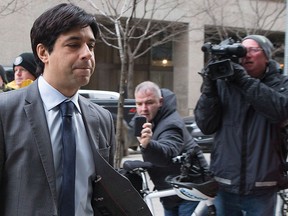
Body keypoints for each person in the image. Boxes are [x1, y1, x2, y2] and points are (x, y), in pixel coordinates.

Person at [0, 3, 117, 216]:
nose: (87, 54)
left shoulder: (102, 119)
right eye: (74, 45)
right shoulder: (5, 111)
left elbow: (104, 197)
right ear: (43, 52)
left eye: (91, 46)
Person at [194, 35, 288, 216]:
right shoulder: (224, 84)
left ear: (267, 56)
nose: (246, 55)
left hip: (262, 186)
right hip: (225, 184)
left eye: (253, 50)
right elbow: (206, 125)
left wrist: (243, 80)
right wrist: (209, 88)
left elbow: (280, 112)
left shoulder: (281, 84)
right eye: (242, 50)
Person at [130, 81, 210, 216]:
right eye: (139, 103)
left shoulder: (171, 124)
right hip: (170, 191)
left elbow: (167, 153)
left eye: (149, 103)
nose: (144, 108)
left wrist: (148, 145)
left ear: (160, 102)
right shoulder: (148, 121)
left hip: (189, 190)